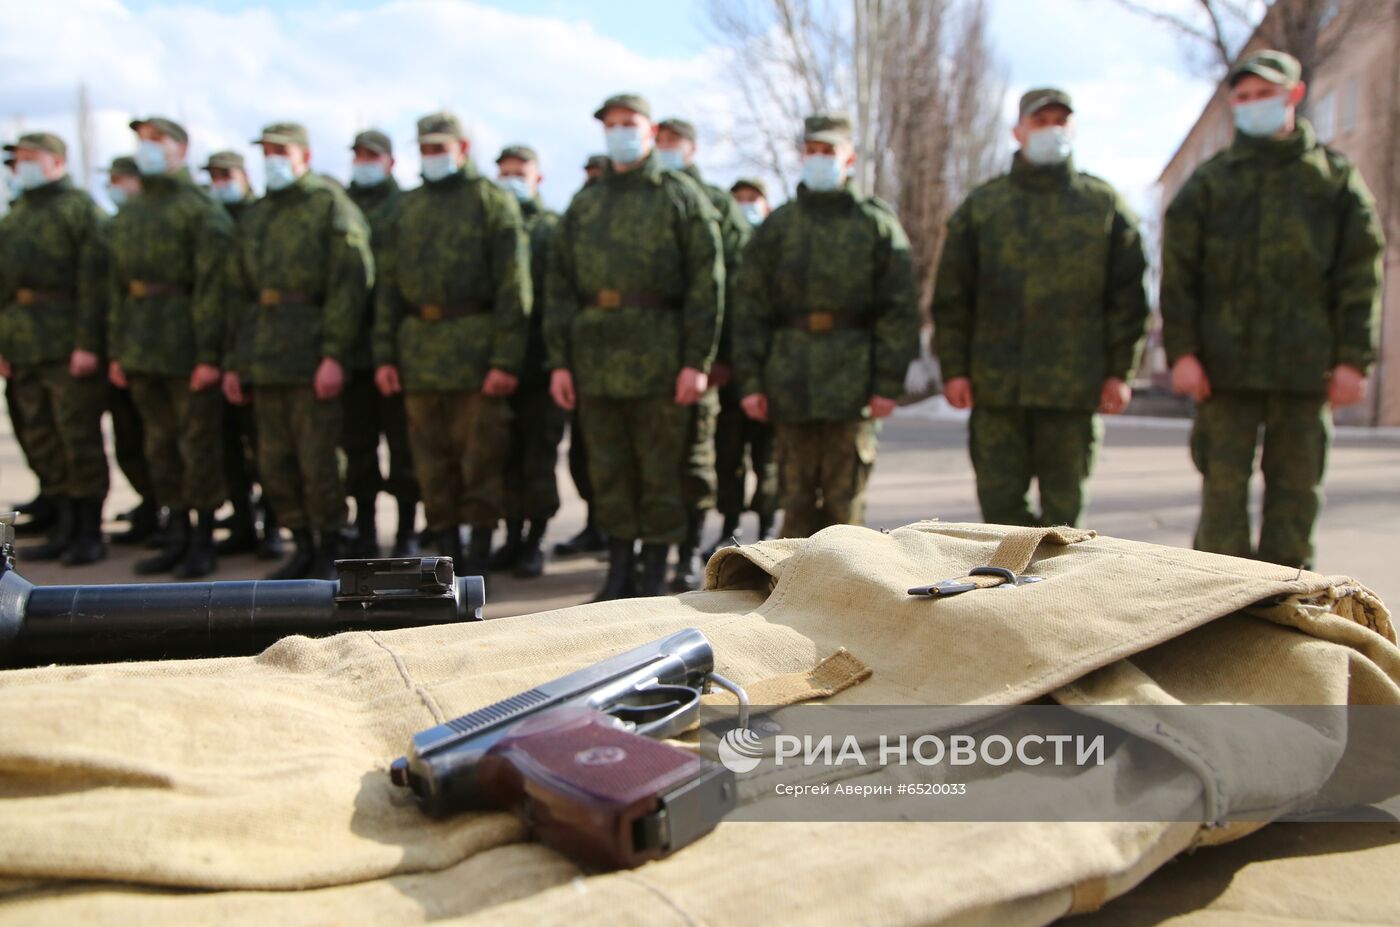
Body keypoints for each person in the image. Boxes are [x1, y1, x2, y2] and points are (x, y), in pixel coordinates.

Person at [1162, 51, 1384, 569]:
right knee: (1222, 495)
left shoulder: (1332, 178)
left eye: (1265, 93)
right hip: (1222, 372)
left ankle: (1288, 601)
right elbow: (1179, 275)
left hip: (1305, 371)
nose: (1254, 104)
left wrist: (1353, 359)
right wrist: (1183, 352)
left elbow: (1359, 271)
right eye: (1243, 97)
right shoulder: (1210, 182)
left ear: (1294, 94)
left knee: (1296, 495)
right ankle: (1221, 600)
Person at [932, 89, 1149, 529]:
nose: (1051, 129)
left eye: (1059, 121)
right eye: (1040, 121)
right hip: (997, 390)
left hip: (1073, 390)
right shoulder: (984, 206)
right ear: (1019, 131)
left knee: (1064, 522)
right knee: (1000, 516)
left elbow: (1128, 298)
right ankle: (1008, 577)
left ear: (1073, 129)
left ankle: (1055, 579)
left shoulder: (1102, 205)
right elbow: (953, 295)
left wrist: (1119, 371)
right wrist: (954, 368)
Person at [545, 93, 723, 599]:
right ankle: (618, 575)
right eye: (612, 124)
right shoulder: (586, 202)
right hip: (596, 361)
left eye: (630, 123)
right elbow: (559, 287)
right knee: (609, 470)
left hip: (660, 362)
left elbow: (706, 284)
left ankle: (653, 577)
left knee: (661, 472)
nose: (619, 132)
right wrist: (560, 361)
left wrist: (696, 361)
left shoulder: (679, 197)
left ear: (651, 131)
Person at [735, 113, 919, 538]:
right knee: (794, 503)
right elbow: (751, 309)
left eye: (828, 151)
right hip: (789, 380)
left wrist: (887, 382)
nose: (819, 158)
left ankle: (844, 580)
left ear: (849, 157)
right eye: (812, 150)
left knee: (845, 508)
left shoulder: (873, 223)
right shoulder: (779, 226)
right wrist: (752, 381)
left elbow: (898, 308)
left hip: (852, 383)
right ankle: (792, 580)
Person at [373, 112, 529, 574]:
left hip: (476, 355)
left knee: (480, 460)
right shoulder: (406, 207)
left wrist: (505, 359)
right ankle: (442, 555)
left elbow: (513, 288)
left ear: (462, 149)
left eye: (440, 148)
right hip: (419, 355)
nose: (432, 156)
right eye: (425, 148)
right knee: (430, 463)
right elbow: (387, 289)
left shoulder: (491, 201)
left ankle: (477, 553)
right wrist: (385, 354)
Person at [224, 121, 373, 580]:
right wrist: (235, 362)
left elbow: (349, 286)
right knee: (274, 462)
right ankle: (302, 543)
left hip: (311, 358)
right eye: (266, 152)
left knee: (318, 460)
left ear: (304, 156)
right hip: (266, 359)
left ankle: (329, 546)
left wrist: (334, 355)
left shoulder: (329, 207)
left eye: (280, 152)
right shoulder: (257, 215)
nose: (272, 160)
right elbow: (238, 295)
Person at [108, 116, 232, 578]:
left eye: (156, 140)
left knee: (197, 445)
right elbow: (116, 289)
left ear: (180, 148)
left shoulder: (199, 210)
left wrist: (209, 356)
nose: (147, 148)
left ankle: (203, 539)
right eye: (142, 141)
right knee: (159, 445)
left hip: (186, 351)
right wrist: (119, 350)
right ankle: (175, 532)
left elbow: (214, 289)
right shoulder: (132, 213)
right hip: (142, 349)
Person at [0, 131, 111, 564]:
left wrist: (87, 343)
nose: (22, 166)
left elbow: (94, 285)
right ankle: (63, 524)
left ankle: (89, 530)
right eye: (19, 159)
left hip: (67, 346)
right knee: (41, 437)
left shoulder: (79, 210)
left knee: (76, 437)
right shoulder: (16, 215)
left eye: (31, 157)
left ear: (57, 162)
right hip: (24, 346)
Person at [653, 117, 750, 591]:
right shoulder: (647, 198)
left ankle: (691, 550)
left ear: (691, 148)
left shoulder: (714, 202)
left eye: (674, 142)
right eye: (660, 141)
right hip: (651, 357)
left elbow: (733, 284)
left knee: (697, 458)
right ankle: (655, 551)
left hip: (701, 359)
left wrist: (720, 357)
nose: (665, 148)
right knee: (656, 461)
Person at [201, 149, 280, 560]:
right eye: (213, 176)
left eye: (226, 174)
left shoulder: (260, 217)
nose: (220, 183)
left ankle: (274, 525)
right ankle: (244, 521)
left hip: (257, 350)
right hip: (216, 347)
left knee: (266, 448)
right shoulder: (208, 219)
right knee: (226, 447)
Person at [345, 128, 419, 558]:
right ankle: (365, 527)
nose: (364, 162)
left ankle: (408, 528)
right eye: (358, 155)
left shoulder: (405, 207)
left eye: (371, 156)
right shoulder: (342, 205)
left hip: (397, 349)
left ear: (390, 161)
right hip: (354, 349)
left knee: (403, 446)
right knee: (358, 446)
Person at [492, 143, 563, 578]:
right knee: (502, 456)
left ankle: (535, 539)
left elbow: (559, 296)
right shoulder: (492, 224)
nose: (512, 181)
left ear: (538, 178)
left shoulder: (551, 229)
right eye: (505, 173)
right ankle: (512, 536)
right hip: (498, 364)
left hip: (539, 364)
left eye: (520, 173)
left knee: (537, 455)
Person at [706, 177, 778, 558]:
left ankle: (768, 529)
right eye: (739, 199)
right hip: (731, 374)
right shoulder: (724, 248)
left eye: (754, 198)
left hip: (769, 372)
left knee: (768, 458)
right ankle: (729, 527)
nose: (746, 205)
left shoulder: (776, 246)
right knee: (728, 455)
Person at [552, 150, 615, 557]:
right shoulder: (578, 216)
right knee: (584, 455)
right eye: (588, 173)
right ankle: (596, 525)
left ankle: (619, 535)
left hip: (626, 360)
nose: (593, 180)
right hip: (585, 358)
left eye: (599, 173)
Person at [101, 155, 160, 547]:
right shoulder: (118, 225)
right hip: (130, 351)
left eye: (121, 178)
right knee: (133, 440)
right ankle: (152, 507)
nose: (114, 185)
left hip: (167, 354)